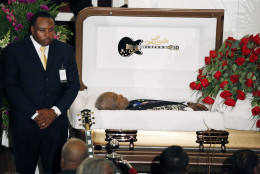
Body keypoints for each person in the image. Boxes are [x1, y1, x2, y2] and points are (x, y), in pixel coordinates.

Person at [4, 11, 80, 174]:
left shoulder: (65, 51)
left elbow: (73, 85)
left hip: (55, 127)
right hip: (26, 125)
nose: (48, 34)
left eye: (51, 30)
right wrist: (34, 114)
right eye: (42, 30)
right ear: (32, 30)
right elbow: (10, 87)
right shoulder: (14, 52)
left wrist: (55, 111)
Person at [95, 92, 208, 111]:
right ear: (114, 109)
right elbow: (164, 111)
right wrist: (188, 109)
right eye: (116, 97)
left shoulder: (134, 103)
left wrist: (186, 103)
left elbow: (164, 103)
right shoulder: (135, 111)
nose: (120, 95)